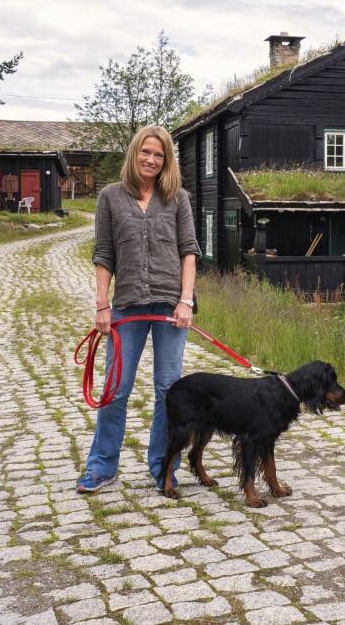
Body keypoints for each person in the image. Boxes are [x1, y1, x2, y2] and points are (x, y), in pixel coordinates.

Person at [76, 125, 200, 493]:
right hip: (127, 306)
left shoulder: (178, 198)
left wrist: (186, 300)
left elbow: (188, 251)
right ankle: (101, 467)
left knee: (168, 389)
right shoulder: (110, 198)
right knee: (116, 388)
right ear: (134, 154)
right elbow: (104, 254)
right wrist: (102, 305)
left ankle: (163, 467)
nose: (151, 159)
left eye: (159, 155)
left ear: (167, 161)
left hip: (169, 307)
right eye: (146, 152)